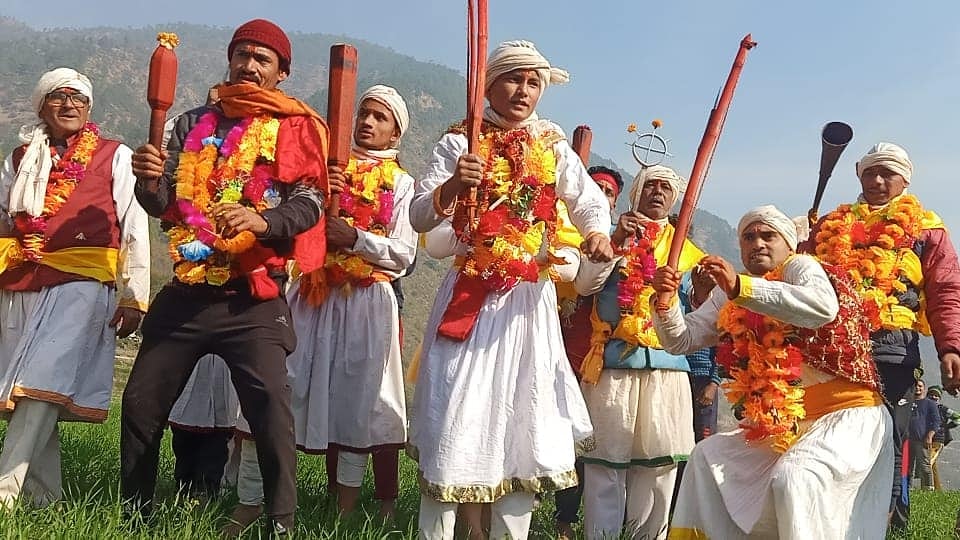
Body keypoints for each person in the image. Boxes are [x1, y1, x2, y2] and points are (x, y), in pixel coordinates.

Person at [121, 19, 329, 535]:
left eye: (263, 59)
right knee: (140, 403)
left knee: (271, 410)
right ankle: (133, 516)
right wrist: (148, 180)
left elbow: (310, 204)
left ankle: (281, 523)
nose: (250, 65)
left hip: (252, 296)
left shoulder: (295, 127)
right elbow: (164, 204)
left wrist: (263, 221)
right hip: (189, 289)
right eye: (243, 54)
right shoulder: (193, 121)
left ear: (282, 72)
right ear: (230, 59)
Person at [407, 40, 614, 540]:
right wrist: (454, 186)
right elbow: (418, 216)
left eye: (533, 82)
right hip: (469, 297)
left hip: (528, 302)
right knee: (455, 410)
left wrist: (596, 233)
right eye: (514, 79)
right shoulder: (460, 141)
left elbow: (588, 201)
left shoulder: (551, 145)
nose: (524, 91)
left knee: (526, 413)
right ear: (488, 86)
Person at [227, 84, 416, 532]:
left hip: (367, 302)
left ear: (395, 134)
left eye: (380, 117)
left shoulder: (402, 184)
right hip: (311, 294)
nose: (367, 122)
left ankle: (343, 514)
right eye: (363, 113)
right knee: (277, 390)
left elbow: (404, 255)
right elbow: (290, 218)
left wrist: (355, 239)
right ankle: (251, 501)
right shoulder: (326, 170)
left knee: (357, 402)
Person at [654, 205, 893, 539]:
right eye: (748, 237)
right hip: (787, 425)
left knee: (796, 478)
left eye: (768, 235)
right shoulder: (731, 291)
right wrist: (664, 302)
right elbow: (682, 339)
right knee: (707, 457)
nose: (757, 243)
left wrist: (741, 289)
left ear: (788, 244)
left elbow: (822, 307)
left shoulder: (800, 267)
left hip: (848, 416)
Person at [0, 67, 150, 508]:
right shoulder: (19, 158)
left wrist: (134, 293)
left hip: (83, 283)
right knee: (29, 391)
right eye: (58, 97)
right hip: (23, 282)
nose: (69, 105)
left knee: (39, 380)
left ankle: (4, 494)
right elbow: (4, 218)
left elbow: (134, 223)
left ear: (89, 108)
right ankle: (44, 501)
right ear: (41, 106)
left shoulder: (114, 155)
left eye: (78, 98)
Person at [807, 142, 960, 529]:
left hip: (893, 352)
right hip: (834, 352)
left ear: (905, 180)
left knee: (886, 443)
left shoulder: (927, 227)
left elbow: (945, 289)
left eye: (887, 173)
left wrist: (950, 347)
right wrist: (805, 242)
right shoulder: (831, 225)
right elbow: (801, 279)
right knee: (828, 439)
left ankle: (880, 527)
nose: (877, 180)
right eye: (870, 172)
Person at [572, 165, 704, 540]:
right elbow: (584, 286)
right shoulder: (611, 235)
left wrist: (701, 287)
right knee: (604, 463)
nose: (658, 193)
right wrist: (615, 241)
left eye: (666, 188)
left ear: (674, 199)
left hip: (666, 367)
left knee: (659, 465)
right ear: (636, 193)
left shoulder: (687, 250)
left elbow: (698, 307)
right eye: (651, 186)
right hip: (612, 364)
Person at [553, 164, 623, 540]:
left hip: (595, 361)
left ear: (614, 203)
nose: (600, 195)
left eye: (608, 192)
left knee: (584, 444)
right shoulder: (557, 230)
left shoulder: (620, 244)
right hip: (551, 347)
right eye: (594, 188)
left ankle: (568, 521)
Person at [908, 379, 939, 491]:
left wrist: (929, 436)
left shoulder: (930, 404)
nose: (918, 388)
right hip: (907, 440)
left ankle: (928, 489)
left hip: (921, 439)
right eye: (916, 386)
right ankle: (908, 488)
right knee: (907, 466)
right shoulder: (907, 402)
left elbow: (936, 422)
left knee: (925, 465)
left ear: (924, 389)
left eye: (920, 386)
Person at [928, 385, 957, 490]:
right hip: (927, 440)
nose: (934, 397)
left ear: (939, 398)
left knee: (928, 462)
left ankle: (928, 488)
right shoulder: (925, 408)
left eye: (936, 395)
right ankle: (937, 489)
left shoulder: (943, 409)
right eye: (931, 395)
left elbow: (957, 418)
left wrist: (946, 426)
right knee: (933, 465)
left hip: (938, 440)